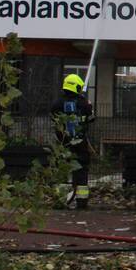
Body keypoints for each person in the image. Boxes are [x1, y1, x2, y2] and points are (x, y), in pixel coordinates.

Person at [50, 74, 95, 209]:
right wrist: (89, 106)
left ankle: (61, 201)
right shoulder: (84, 103)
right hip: (80, 145)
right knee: (81, 172)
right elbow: (91, 119)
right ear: (77, 87)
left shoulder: (57, 103)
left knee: (62, 173)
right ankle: (81, 202)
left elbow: (52, 118)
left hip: (63, 144)